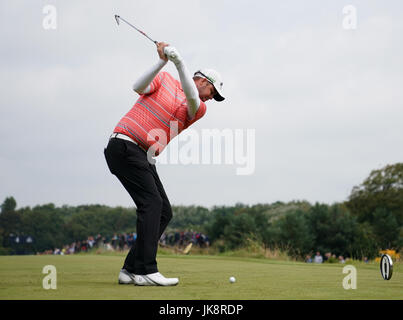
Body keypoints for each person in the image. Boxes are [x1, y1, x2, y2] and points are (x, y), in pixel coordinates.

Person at [104, 42, 225, 286]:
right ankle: (147, 270)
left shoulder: (198, 107)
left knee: (164, 211)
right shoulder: (166, 79)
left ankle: (130, 268)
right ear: (202, 81)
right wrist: (162, 62)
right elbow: (137, 86)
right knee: (152, 203)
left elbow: (192, 98)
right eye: (212, 92)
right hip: (125, 145)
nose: (210, 98)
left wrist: (180, 62)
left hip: (143, 155)